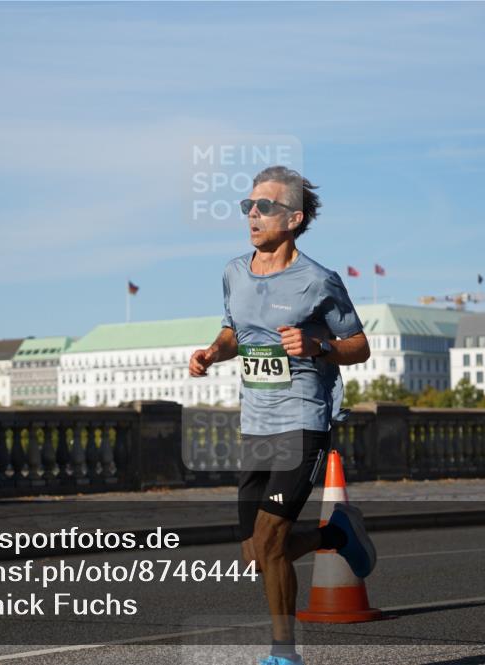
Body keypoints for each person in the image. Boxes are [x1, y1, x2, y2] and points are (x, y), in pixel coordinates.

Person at [189, 166, 376, 665]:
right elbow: (234, 333)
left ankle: (283, 655)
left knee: (271, 540)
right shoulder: (233, 271)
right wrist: (211, 352)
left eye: (264, 207)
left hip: (303, 419)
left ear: (292, 218)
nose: (252, 214)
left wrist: (318, 345)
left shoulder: (318, 280)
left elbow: (359, 346)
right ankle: (335, 534)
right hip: (257, 424)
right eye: (247, 205)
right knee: (256, 555)